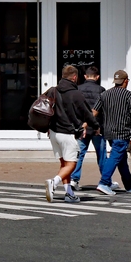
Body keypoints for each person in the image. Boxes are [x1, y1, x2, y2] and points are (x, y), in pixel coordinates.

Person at [45, 65, 94, 203]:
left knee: (64, 163)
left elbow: (45, 109)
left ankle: (69, 193)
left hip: (54, 133)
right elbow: (87, 113)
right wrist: (95, 126)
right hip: (67, 133)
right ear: (74, 77)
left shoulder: (52, 90)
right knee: (72, 163)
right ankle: (53, 182)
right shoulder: (75, 93)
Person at [93, 69, 131, 196]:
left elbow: (94, 111)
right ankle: (104, 182)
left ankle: (129, 184)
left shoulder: (104, 94)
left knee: (121, 158)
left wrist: (91, 125)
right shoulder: (129, 95)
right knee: (115, 156)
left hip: (108, 131)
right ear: (125, 81)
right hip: (122, 132)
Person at [71, 66, 105, 191]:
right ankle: (105, 180)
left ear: (85, 76)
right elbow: (103, 110)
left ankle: (74, 179)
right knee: (101, 155)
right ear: (97, 77)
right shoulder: (101, 90)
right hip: (97, 127)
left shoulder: (78, 89)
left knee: (79, 154)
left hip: (82, 127)